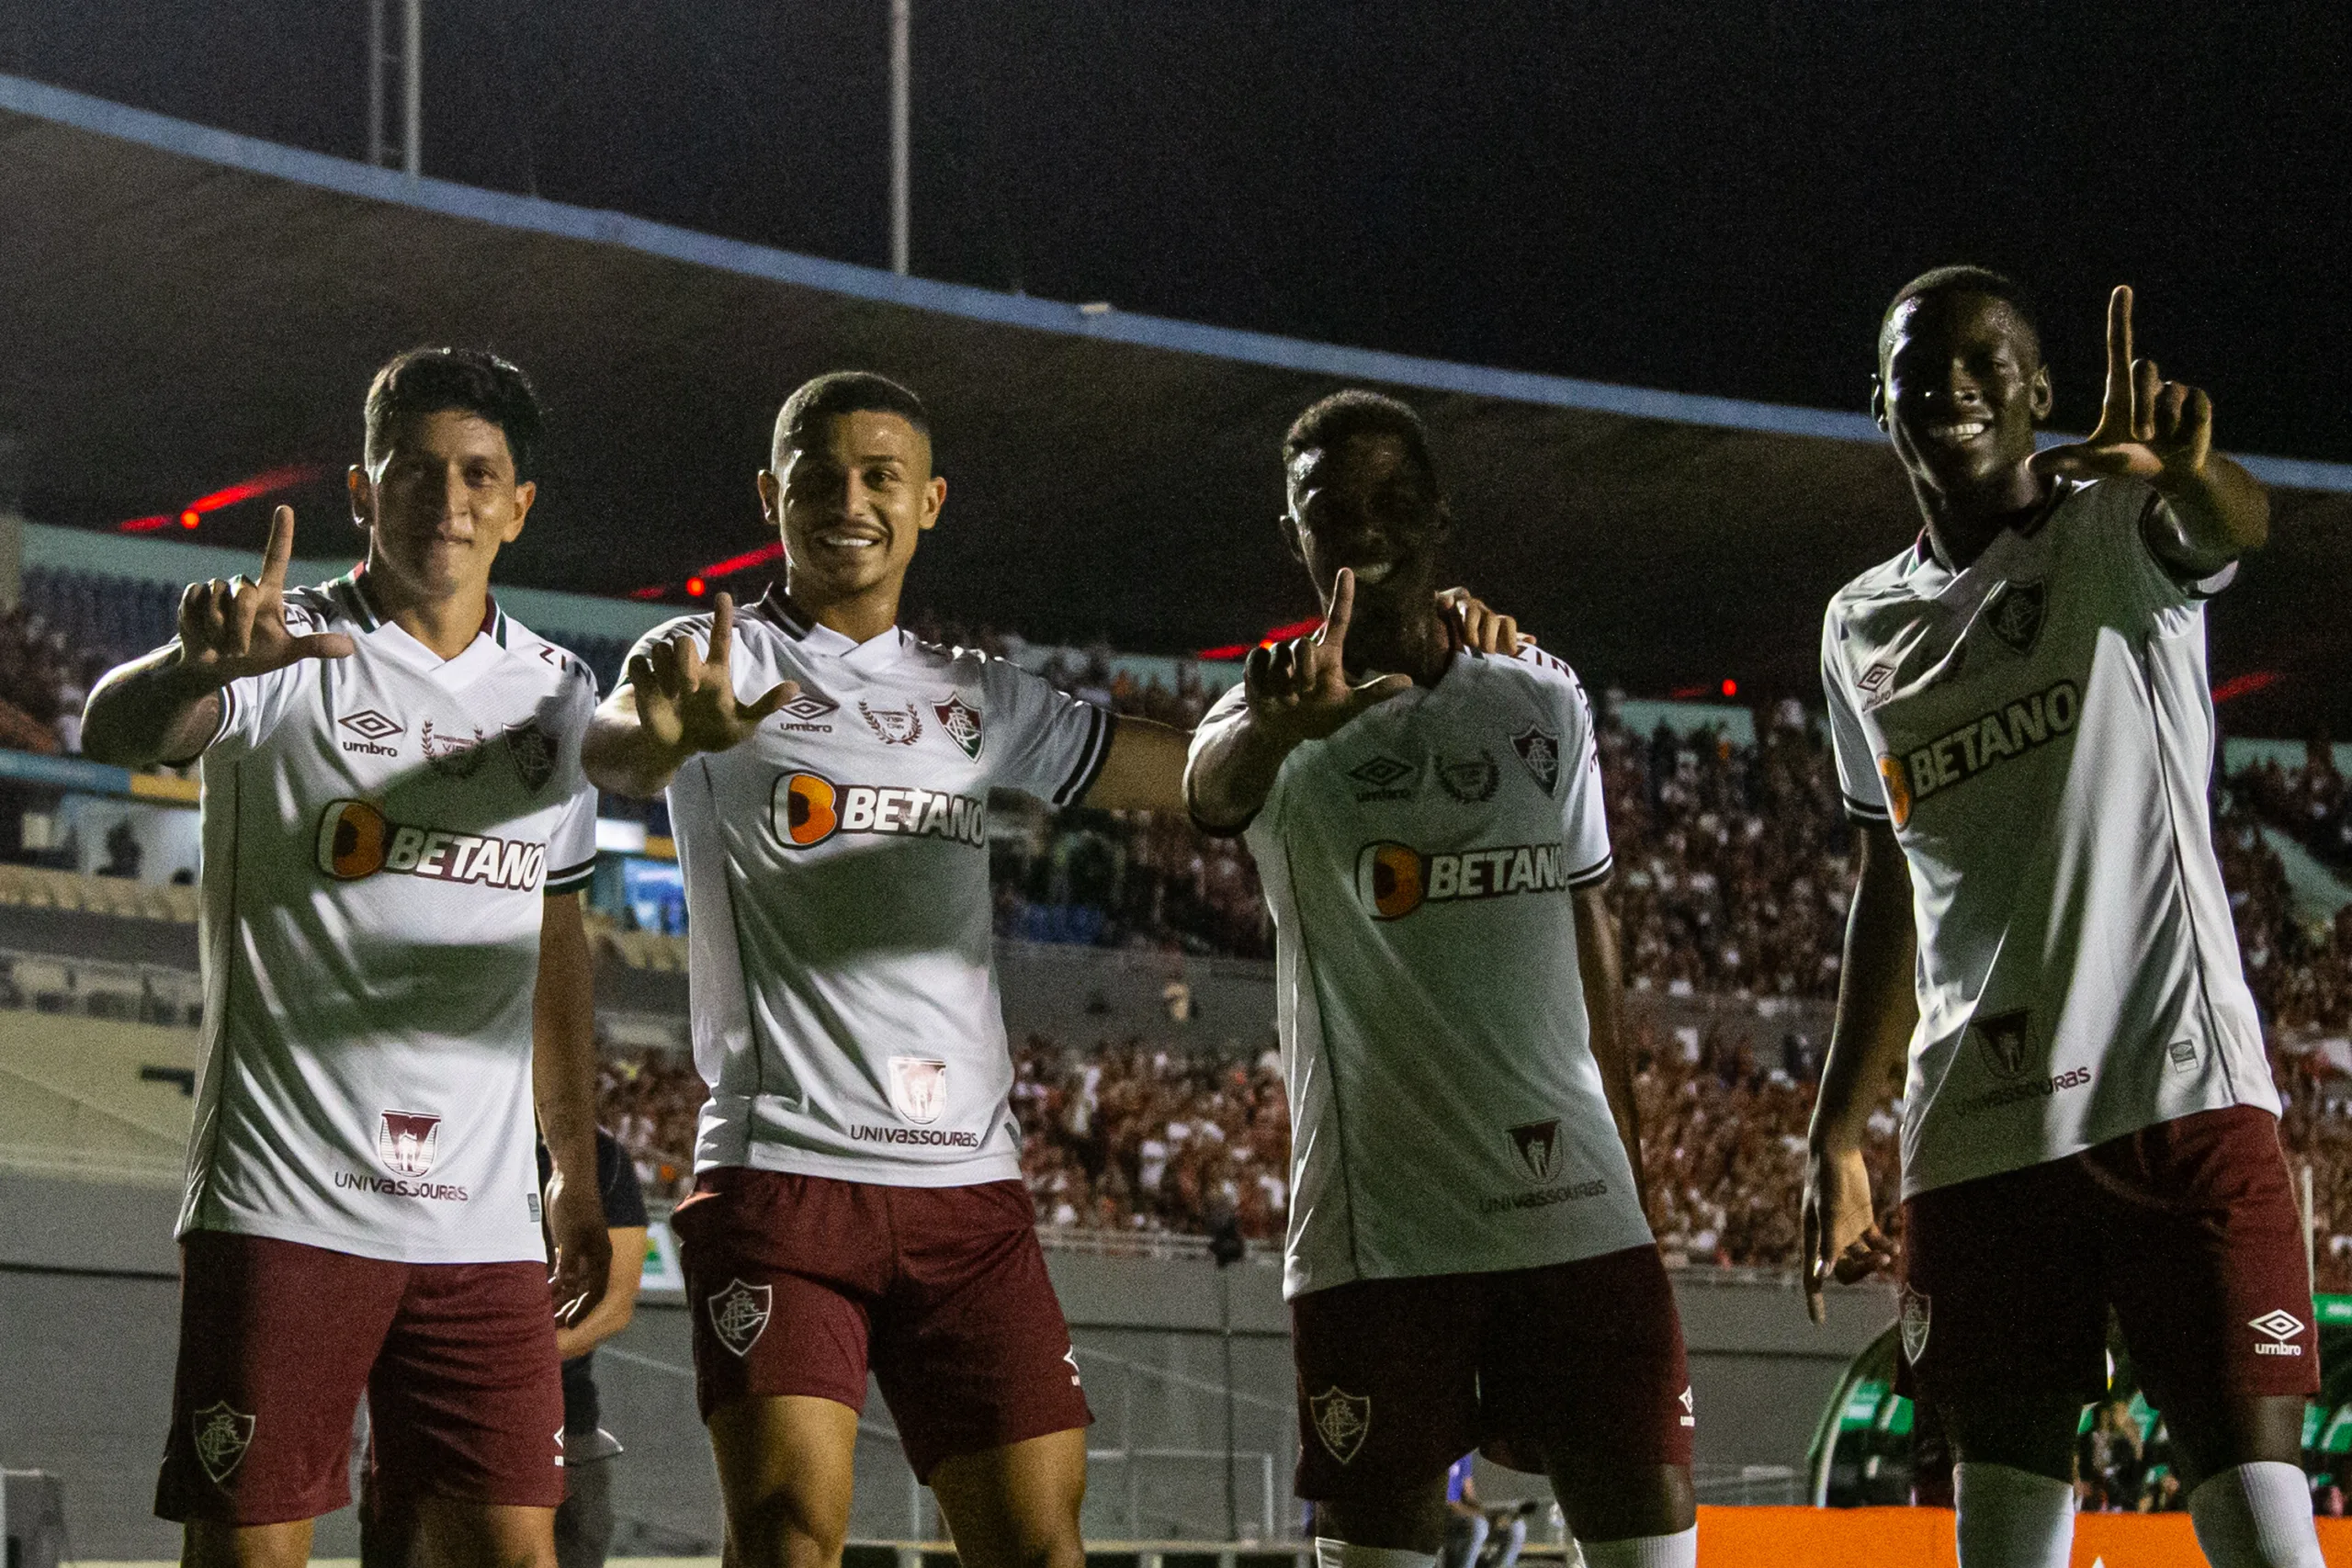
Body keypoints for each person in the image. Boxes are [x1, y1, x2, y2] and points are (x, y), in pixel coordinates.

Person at [1802, 271, 2324, 1568]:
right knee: (2004, 1542)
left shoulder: (2116, 529)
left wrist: (2193, 473)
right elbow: (1890, 875)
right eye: (1918, 362)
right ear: (1880, 403)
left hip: (2175, 1092)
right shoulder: (1856, 625)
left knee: (2263, 1527)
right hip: (1979, 1135)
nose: (1953, 380)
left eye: (1988, 357)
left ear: (2042, 390)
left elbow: (2236, 523)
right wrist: (1837, 1125)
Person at [83, 347, 610, 1568]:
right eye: (416, 470)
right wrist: (192, 667)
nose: (451, 497)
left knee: (512, 1551)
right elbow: (121, 726)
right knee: (254, 1552)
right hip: (287, 1204)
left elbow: (555, 940)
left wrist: (572, 1170)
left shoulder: (559, 695)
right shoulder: (289, 646)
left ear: (519, 505)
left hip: (480, 1229)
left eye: (481, 473)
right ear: (364, 491)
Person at [1185, 390, 1698, 1568]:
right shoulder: (1267, 724)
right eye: (1333, 508)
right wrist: (1272, 727)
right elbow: (1210, 790)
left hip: (1578, 1213)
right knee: (1384, 1541)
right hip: (1381, 1240)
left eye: (1395, 501)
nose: (1368, 527)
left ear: (1441, 517)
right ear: (1293, 534)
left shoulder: (1541, 701)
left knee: (1650, 1526)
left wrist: (1634, 1173)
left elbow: (1590, 937)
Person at [359, 1126, 649, 1568]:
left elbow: (616, 1305)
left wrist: (503, 1364)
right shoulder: (438, 1129)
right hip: (420, 1415)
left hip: (564, 1419)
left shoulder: (596, 1154)